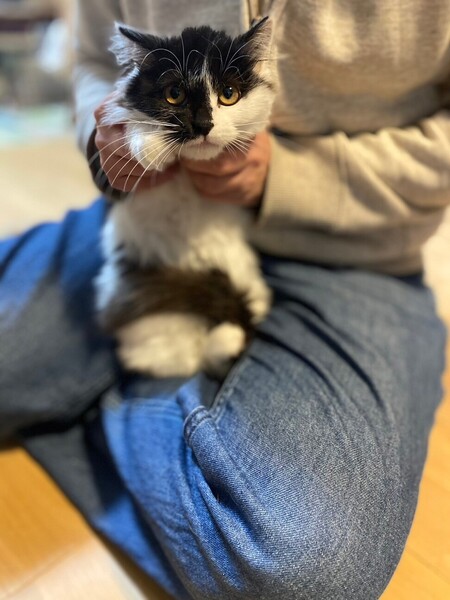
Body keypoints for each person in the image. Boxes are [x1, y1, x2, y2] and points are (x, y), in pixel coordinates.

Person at [1, 1, 449, 598]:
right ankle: (157, 411)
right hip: (154, 219)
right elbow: (92, 57)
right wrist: (104, 139)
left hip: (352, 249)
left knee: (301, 574)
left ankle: (104, 399)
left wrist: (292, 175)